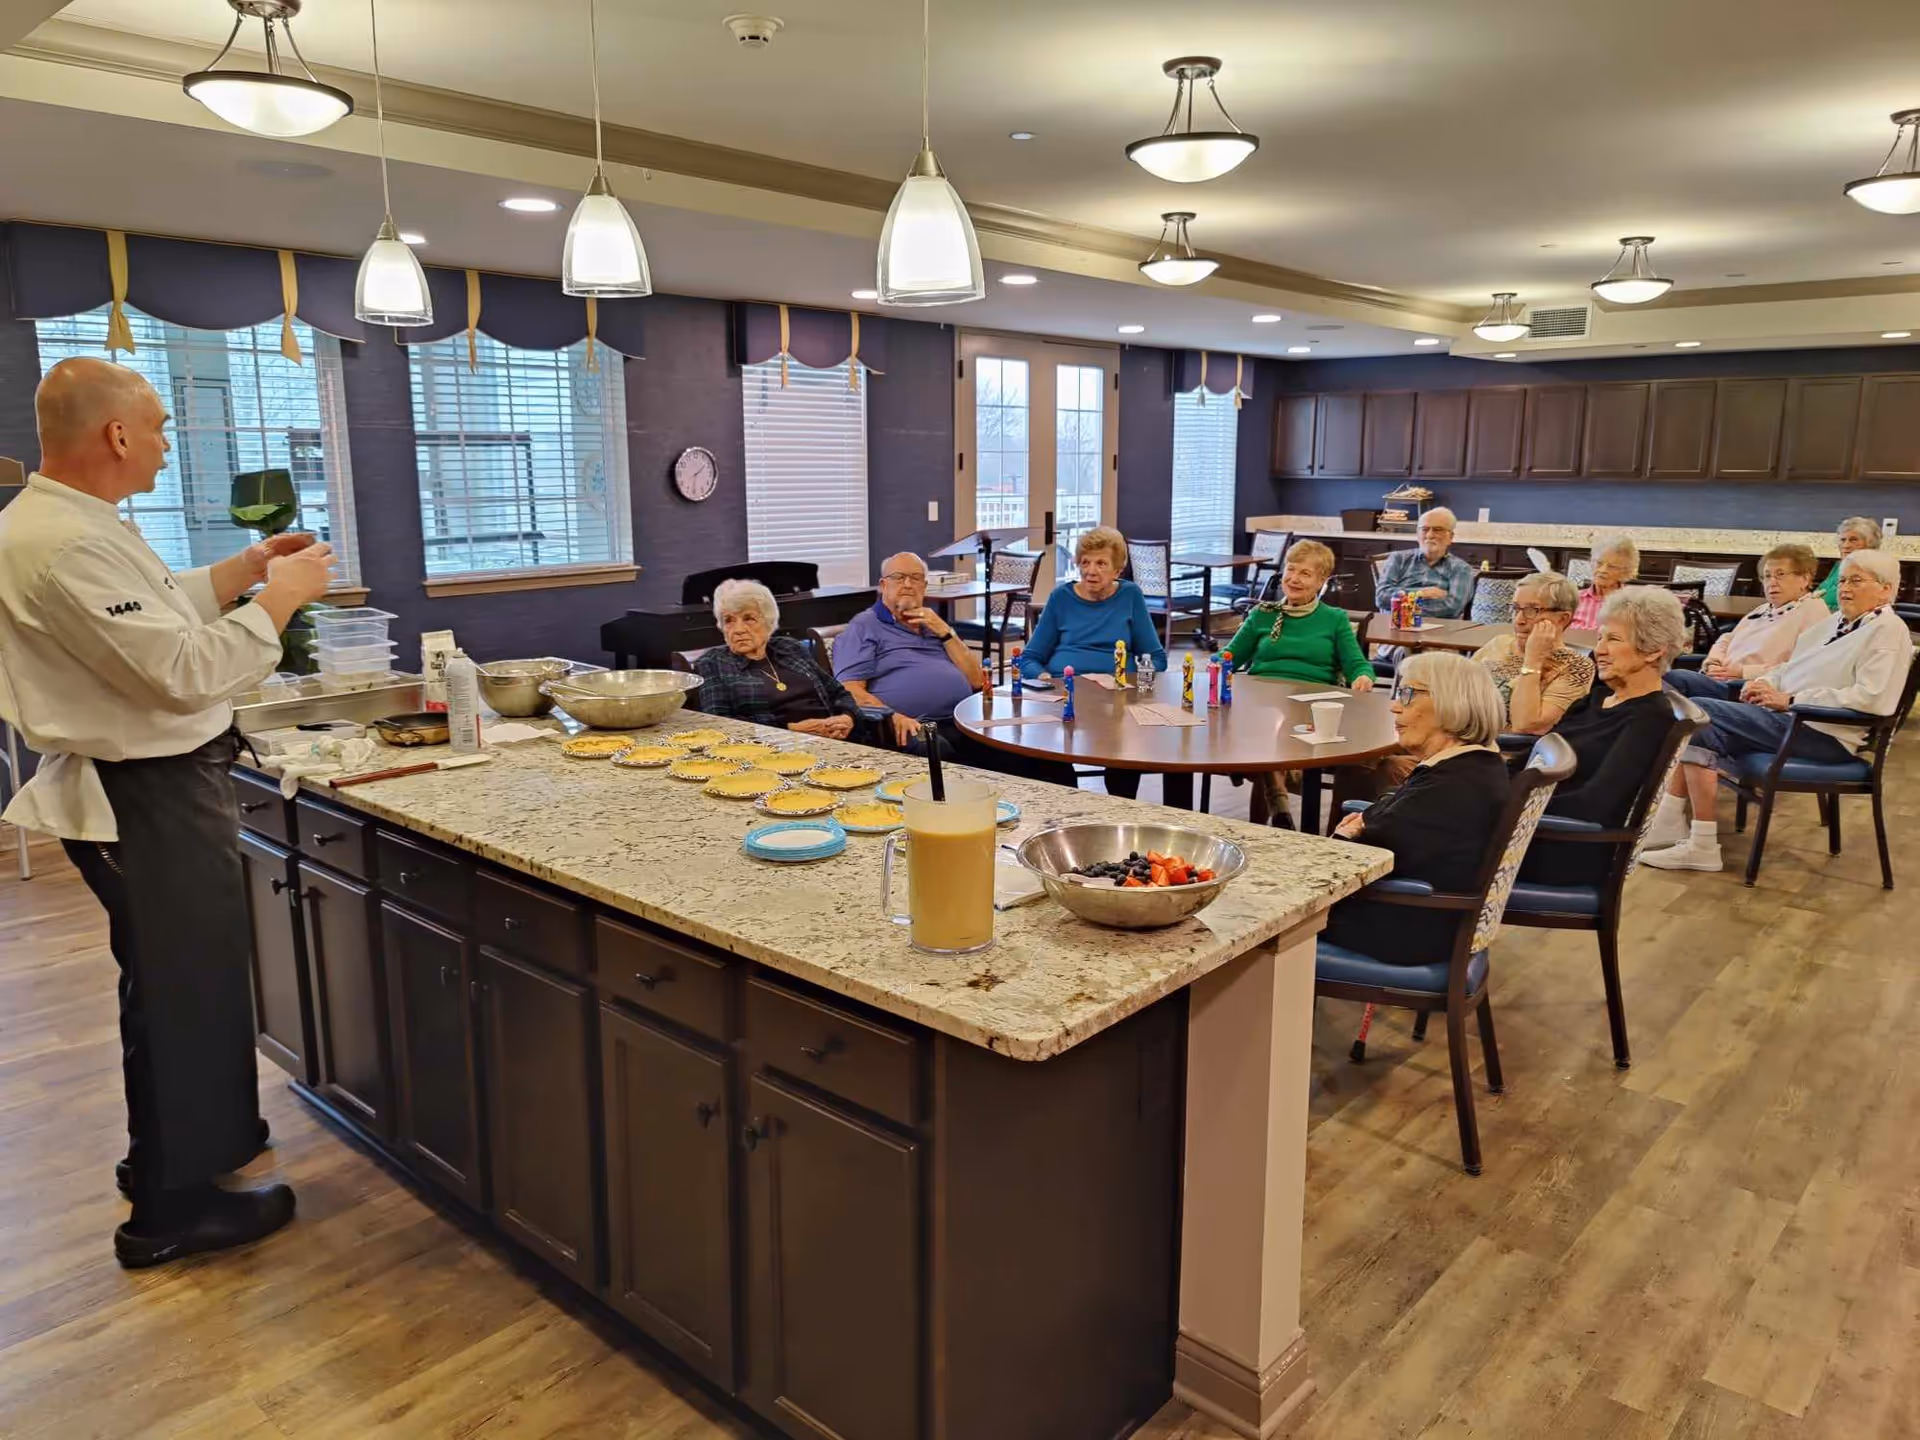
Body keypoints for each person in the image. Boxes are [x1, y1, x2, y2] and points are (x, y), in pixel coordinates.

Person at [0, 357, 336, 1267]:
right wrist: (282, 601)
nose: (163, 441)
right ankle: (169, 1212)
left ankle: (179, 1151)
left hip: (157, 784)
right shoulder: (61, 542)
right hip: (142, 792)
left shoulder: (78, 525)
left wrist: (243, 570)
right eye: (156, 427)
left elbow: (158, 616)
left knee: (180, 982)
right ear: (115, 434)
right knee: (182, 989)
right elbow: (182, 669)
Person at [1642, 549, 1912, 873]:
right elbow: (1789, 666)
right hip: (1793, 719)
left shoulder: (1887, 630)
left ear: (1886, 589)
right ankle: (1695, 840)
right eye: (1842, 580)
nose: (1844, 588)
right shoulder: (1836, 624)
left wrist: (1791, 699)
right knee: (1699, 725)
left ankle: (1680, 829)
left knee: (1695, 711)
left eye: (1856, 580)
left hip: (1823, 733)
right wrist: (1764, 683)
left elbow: (1872, 698)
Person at [1323, 652, 1512, 966]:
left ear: (1452, 704)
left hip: (1403, 929)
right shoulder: (1474, 765)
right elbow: (1387, 819)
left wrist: (1345, 835)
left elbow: (1347, 864)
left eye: (1408, 695)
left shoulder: (1452, 788)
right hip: (1420, 917)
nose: (1394, 705)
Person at [1519, 586, 1689, 888]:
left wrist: (1509, 804)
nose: (1599, 649)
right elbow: (1539, 752)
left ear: (1653, 650)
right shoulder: (1598, 698)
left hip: (1560, 845)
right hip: (1529, 824)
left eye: (1613, 639)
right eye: (1600, 638)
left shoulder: (1649, 719)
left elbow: (1594, 803)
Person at [1015, 526, 1166, 798]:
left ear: (1117, 570)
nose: (1090, 571)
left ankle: (1120, 812)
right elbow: (1030, 659)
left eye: (1100, 563)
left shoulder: (1130, 596)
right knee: (1050, 756)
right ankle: (1071, 808)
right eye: (1085, 562)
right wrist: (1049, 681)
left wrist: (1130, 679)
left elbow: (1156, 658)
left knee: (1126, 751)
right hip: (1067, 699)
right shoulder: (1061, 598)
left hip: (1118, 701)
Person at [691, 579, 909, 745]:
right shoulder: (713, 663)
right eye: (728, 620)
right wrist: (790, 729)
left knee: (928, 744)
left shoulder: (790, 648)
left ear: (768, 622)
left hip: (839, 739)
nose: (738, 629)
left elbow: (838, 692)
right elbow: (723, 725)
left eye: (748, 618)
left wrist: (847, 717)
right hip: (778, 749)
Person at [833, 552, 987, 727]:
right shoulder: (864, 626)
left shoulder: (934, 625)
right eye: (898, 578)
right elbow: (849, 690)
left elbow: (977, 680)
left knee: (1011, 749)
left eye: (915, 578)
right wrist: (891, 717)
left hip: (965, 721)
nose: (907, 584)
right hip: (912, 728)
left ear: (924, 586)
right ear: (883, 585)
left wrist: (945, 632)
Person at [1664, 543, 1828, 702]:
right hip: (1720, 677)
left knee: (1673, 679)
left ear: (1805, 579)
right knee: (1661, 678)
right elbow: (1727, 638)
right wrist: (1713, 662)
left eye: (1780, 575)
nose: (1772, 583)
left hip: (1747, 689)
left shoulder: (1813, 611)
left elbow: (1799, 668)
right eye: (1767, 576)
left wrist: (1743, 672)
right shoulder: (1763, 609)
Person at [1222, 539, 1377, 688]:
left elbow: (1357, 665)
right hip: (1263, 696)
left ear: (1320, 581)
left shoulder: (1335, 619)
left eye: (1305, 574)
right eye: (1290, 570)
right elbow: (1230, 656)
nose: (1294, 579)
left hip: (1314, 698)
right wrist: (1213, 663)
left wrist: (1363, 677)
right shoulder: (1262, 614)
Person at [1471, 570, 1596, 733]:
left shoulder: (1577, 666)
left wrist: (1533, 660)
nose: (1519, 620)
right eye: (1516, 609)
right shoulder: (1499, 643)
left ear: (1563, 618)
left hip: (1505, 750)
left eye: (1532, 610)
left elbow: (1525, 725)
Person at [1372, 507, 1475, 619]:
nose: (1430, 535)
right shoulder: (1398, 559)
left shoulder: (1461, 568)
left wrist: (1400, 605)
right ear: (1417, 534)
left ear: (1450, 537)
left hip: (1440, 630)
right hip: (1395, 627)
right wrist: (1422, 593)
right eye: (1425, 529)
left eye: (1437, 529)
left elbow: (1452, 608)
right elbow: (1381, 598)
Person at [1570, 533, 1639, 629]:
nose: (1602, 570)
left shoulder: (1633, 603)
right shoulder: (1573, 599)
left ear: (1625, 572)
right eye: (1599, 563)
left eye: (1611, 566)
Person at [1815, 517, 1882, 610]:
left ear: (1870, 544)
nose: (1846, 546)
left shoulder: (1872, 570)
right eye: (1843, 540)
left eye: (1853, 540)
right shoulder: (1840, 565)